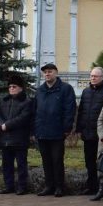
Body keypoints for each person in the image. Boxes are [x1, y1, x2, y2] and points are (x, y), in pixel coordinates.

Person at [33, 62, 76, 197]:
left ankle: (59, 186)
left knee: (57, 160)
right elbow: (34, 110)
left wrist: (67, 128)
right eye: (45, 72)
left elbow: (70, 109)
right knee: (46, 160)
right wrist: (35, 128)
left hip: (58, 131)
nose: (47, 74)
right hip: (42, 131)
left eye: (50, 71)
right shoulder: (40, 90)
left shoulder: (65, 89)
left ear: (56, 73)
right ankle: (48, 186)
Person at [0, 75, 34, 195]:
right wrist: (1, 125)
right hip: (5, 138)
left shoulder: (26, 102)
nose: (11, 88)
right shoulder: (4, 101)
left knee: (21, 164)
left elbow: (23, 118)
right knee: (7, 164)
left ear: (20, 88)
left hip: (20, 138)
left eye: (14, 86)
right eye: (10, 86)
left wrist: (7, 125)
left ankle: (22, 187)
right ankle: (8, 186)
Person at [75, 67, 103, 195]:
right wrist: (79, 128)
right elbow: (81, 111)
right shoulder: (86, 92)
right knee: (89, 161)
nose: (93, 78)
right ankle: (91, 186)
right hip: (87, 132)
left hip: (102, 134)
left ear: (102, 77)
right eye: (91, 76)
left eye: (96, 76)